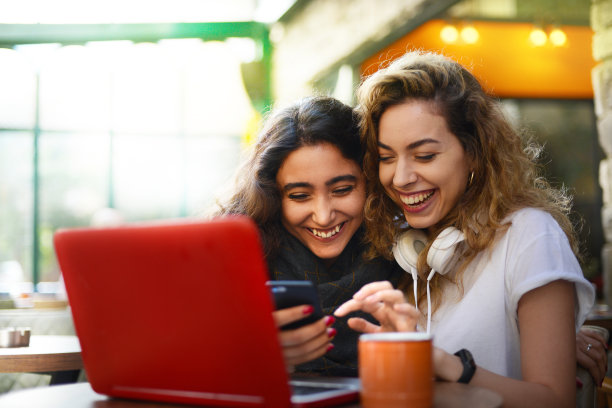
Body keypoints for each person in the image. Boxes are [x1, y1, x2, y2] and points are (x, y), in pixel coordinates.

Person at [334, 50, 596, 407]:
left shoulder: (530, 235)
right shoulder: (404, 249)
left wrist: (447, 364)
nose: (401, 178)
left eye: (425, 156)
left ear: (474, 151)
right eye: (386, 157)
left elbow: (555, 400)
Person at [215, 95, 403, 376]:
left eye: (342, 190)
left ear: (370, 183)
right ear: (272, 197)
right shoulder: (234, 272)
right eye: (300, 196)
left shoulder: (411, 262)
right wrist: (256, 355)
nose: (323, 216)